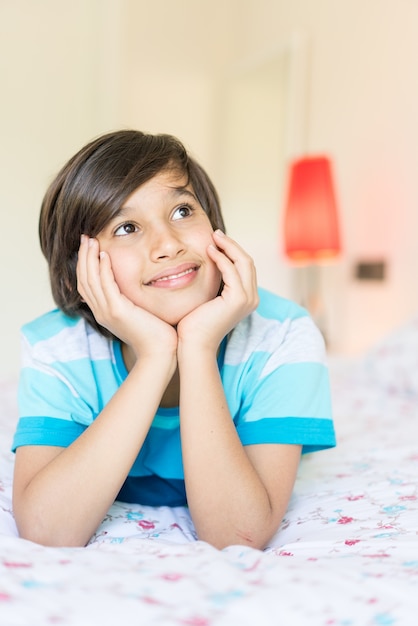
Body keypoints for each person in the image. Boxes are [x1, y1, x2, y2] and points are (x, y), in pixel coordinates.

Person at [12, 130, 336, 550]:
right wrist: (155, 355)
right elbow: (48, 531)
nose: (168, 244)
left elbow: (236, 535)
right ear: (82, 268)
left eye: (183, 211)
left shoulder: (283, 336)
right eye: (127, 227)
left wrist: (198, 346)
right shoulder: (55, 346)